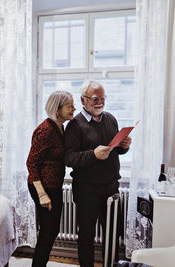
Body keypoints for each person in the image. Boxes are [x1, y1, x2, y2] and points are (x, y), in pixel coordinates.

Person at [64, 80, 131, 267]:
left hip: (111, 186)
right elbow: (69, 158)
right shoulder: (74, 125)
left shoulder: (110, 119)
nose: (99, 102)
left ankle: (110, 265)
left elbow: (114, 150)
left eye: (102, 98)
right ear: (83, 100)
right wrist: (93, 154)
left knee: (112, 233)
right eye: (95, 99)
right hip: (87, 189)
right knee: (86, 234)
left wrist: (124, 147)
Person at [26, 91, 76, 267]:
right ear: (58, 108)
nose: (74, 109)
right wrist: (42, 195)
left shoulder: (60, 127)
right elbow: (31, 164)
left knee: (51, 230)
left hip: (53, 186)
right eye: (70, 106)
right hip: (42, 186)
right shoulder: (45, 130)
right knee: (48, 231)